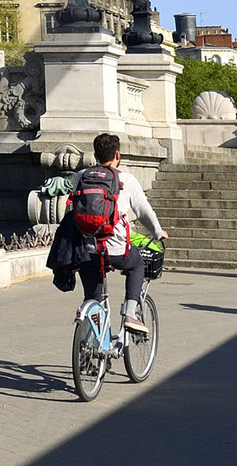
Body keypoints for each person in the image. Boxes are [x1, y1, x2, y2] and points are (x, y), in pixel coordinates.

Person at [72, 132, 167, 340]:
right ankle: (130, 313)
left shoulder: (81, 176)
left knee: (92, 298)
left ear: (95, 155)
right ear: (117, 154)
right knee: (137, 265)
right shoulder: (126, 179)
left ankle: (91, 352)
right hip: (116, 250)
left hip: (87, 250)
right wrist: (158, 232)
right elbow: (143, 210)